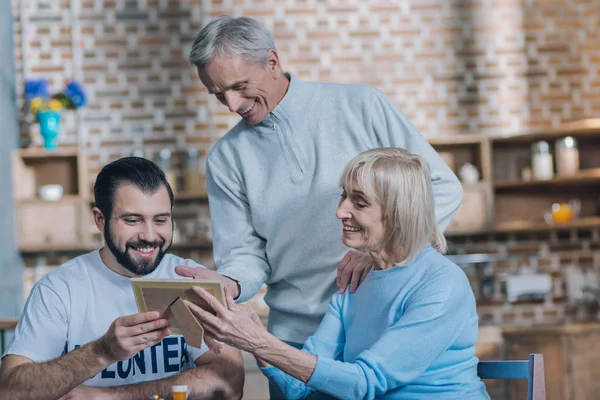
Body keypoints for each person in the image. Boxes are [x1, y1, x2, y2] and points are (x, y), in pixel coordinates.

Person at [179, 15, 462, 350]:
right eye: (218, 94)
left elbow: (441, 187)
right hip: (296, 340)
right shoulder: (226, 158)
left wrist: (381, 251)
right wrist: (230, 282)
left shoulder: (361, 106)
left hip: (383, 326)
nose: (232, 105)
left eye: (239, 87)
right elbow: (245, 253)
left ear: (272, 61)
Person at [184, 148, 489, 399]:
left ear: (399, 211)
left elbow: (365, 382)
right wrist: (254, 334)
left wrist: (260, 343)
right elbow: (298, 389)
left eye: (360, 202)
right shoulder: (356, 281)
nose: (340, 211)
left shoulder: (440, 284)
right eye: (344, 196)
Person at [0, 157, 244, 400]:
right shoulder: (58, 289)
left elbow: (230, 381)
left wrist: (112, 396)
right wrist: (101, 351)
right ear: (100, 219)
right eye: (132, 220)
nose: (149, 235)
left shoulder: (191, 279)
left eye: (160, 220)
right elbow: (11, 392)